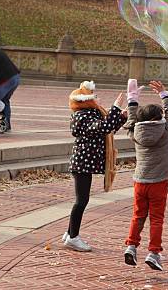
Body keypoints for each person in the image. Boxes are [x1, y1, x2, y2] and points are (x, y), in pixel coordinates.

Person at [64, 81, 127, 252]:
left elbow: (108, 129)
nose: (98, 99)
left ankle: (70, 233)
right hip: (82, 162)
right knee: (81, 200)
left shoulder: (92, 113)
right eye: (95, 97)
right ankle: (73, 237)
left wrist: (121, 117)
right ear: (86, 100)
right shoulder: (81, 116)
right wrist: (115, 108)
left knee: (82, 200)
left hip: (86, 161)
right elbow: (103, 127)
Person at [124, 79, 168, 271]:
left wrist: (132, 97)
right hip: (158, 183)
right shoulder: (164, 129)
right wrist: (163, 93)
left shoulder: (134, 130)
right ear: (159, 117)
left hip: (139, 182)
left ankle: (131, 246)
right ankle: (154, 253)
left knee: (138, 215)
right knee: (156, 218)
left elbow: (131, 116)